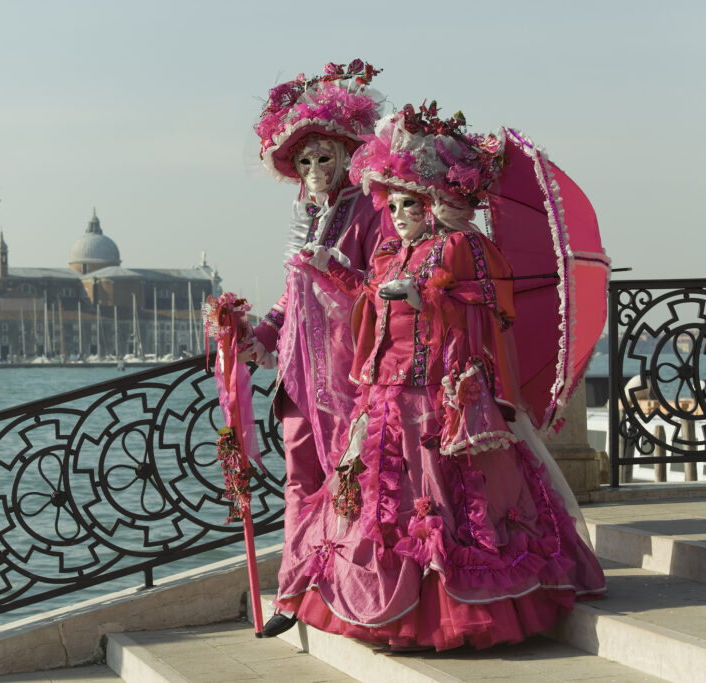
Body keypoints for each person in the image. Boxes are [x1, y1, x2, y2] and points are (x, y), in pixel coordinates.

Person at [272, 103, 606, 650]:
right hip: (385, 395)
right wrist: (328, 266)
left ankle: (450, 608)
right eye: (393, 204)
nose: (397, 215)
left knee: (448, 508)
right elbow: (367, 299)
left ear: (437, 205)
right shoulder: (392, 254)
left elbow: (485, 304)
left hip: (435, 396)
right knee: (375, 503)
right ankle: (381, 602)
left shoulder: (461, 246)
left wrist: (427, 297)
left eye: (409, 204)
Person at [240, 60, 393, 637]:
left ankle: (358, 591)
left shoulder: (373, 212)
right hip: (300, 374)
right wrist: (260, 335)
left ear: (346, 155)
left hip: (353, 373)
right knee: (301, 480)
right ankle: (294, 590)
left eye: (323, 157)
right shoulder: (306, 216)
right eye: (303, 161)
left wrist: (340, 271)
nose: (313, 170)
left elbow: (380, 287)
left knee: (354, 478)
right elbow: (291, 296)